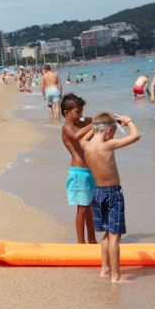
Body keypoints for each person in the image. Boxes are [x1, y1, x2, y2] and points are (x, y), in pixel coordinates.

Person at [81, 112, 140, 283]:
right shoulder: (109, 145)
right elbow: (136, 135)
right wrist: (128, 121)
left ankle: (104, 269)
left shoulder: (86, 146)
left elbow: (84, 139)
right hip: (113, 193)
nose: (112, 136)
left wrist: (94, 128)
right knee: (115, 236)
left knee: (106, 234)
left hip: (97, 193)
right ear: (108, 131)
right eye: (113, 132)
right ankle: (116, 276)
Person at [60, 93, 96, 244]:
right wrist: (94, 125)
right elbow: (77, 136)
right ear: (66, 112)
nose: (81, 115)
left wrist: (106, 120)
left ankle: (92, 240)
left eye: (82, 111)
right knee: (82, 209)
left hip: (90, 171)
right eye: (77, 112)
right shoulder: (67, 127)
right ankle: (81, 244)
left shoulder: (82, 123)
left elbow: (96, 118)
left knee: (90, 209)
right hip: (78, 173)